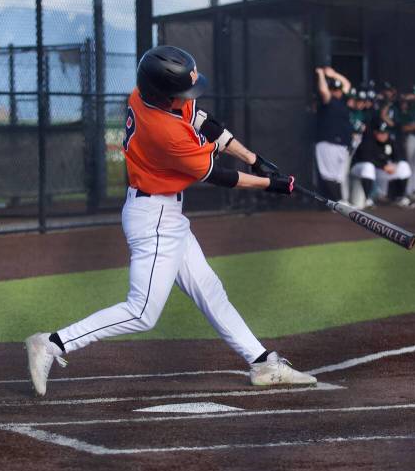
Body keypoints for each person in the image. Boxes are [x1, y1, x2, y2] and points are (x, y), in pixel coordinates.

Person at [23, 45, 315, 397]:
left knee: (209, 289)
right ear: (162, 96)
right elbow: (219, 176)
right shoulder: (165, 133)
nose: (186, 99)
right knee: (142, 311)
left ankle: (262, 362)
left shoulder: (144, 94)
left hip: (166, 215)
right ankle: (52, 344)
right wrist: (272, 184)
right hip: (154, 219)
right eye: (180, 94)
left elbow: (204, 121)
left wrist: (254, 158)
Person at [313, 66, 355, 203]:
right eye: (334, 90)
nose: (337, 92)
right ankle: (338, 201)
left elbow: (347, 84)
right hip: (328, 142)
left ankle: (338, 201)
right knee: (329, 174)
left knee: (338, 175)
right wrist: (321, 75)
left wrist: (334, 74)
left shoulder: (343, 101)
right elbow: (323, 91)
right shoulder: (328, 101)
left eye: (338, 90)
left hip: (342, 143)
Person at [350, 118, 413, 208]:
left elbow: (400, 155)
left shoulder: (390, 141)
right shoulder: (368, 140)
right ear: (375, 132)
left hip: (378, 171)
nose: (383, 135)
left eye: (385, 133)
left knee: (404, 166)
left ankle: (400, 197)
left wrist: (394, 164)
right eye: (380, 133)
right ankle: (367, 200)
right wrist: (383, 166)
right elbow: (367, 158)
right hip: (359, 168)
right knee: (368, 167)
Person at [393, 87, 415, 199]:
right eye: (413, 94)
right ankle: (411, 189)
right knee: (411, 163)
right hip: (410, 137)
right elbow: (403, 127)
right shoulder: (404, 106)